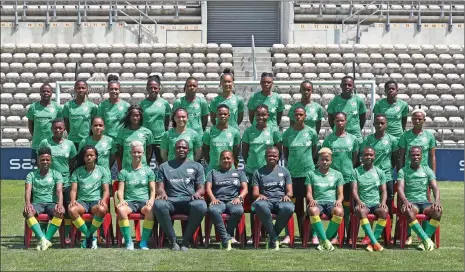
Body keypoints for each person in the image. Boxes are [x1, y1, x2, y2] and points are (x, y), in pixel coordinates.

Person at [154, 139, 207, 252]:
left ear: (189, 150)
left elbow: (201, 188)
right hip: (171, 200)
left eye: (184, 148)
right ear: (174, 149)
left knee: (201, 205)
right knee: (159, 204)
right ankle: (173, 241)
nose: (181, 149)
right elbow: (159, 186)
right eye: (178, 147)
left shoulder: (197, 166)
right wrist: (162, 193)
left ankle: (185, 241)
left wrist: (198, 193)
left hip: (189, 200)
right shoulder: (164, 166)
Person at [241, 104, 282, 243]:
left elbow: (279, 151)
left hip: (270, 173)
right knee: (255, 206)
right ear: (254, 116)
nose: (261, 117)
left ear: (268, 116)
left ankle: (270, 233)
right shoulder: (248, 132)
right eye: (258, 115)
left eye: (263, 114)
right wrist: (253, 166)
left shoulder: (274, 131)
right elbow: (245, 152)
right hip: (253, 172)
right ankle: (255, 235)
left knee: (269, 203)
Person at [281, 106, 318, 244]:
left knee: (311, 205)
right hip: (292, 175)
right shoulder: (287, 134)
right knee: (292, 207)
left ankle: (312, 234)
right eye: (296, 115)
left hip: (308, 174)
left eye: (301, 114)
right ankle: (289, 235)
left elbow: (314, 151)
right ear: (293, 116)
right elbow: (285, 153)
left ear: (305, 116)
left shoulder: (311, 132)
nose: (298, 117)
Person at [38, 118, 77, 243]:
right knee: (44, 207)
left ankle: (67, 235)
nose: (58, 130)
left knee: (66, 210)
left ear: (64, 129)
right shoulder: (45, 142)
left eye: (60, 128)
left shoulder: (69, 144)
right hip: (48, 182)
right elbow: (41, 161)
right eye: (55, 128)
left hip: (65, 182)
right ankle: (43, 234)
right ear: (51, 129)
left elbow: (72, 162)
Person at [322, 112, 359, 243]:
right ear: (334, 122)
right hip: (332, 180)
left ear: (346, 121)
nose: (340, 123)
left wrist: (349, 170)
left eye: (342, 120)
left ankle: (348, 236)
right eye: (337, 120)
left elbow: (354, 158)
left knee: (348, 209)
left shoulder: (353, 139)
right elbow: (325, 158)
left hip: (348, 179)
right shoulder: (329, 139)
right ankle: (335, 236)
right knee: (335, 207)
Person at [397, 147, 442, 251]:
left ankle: (423, 241)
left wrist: (437, 201)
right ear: (409, 157)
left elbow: (435, 188)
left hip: (425, 203)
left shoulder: (427, 170)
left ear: (422, 156)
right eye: (413, 155)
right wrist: (405, 201)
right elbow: (400, 188)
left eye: (418, 155)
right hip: (411, 203)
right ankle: (426, 240)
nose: (415, 157)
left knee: (438, 211)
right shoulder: (403, 171)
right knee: (408, 211)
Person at [251, 146, 294, 250]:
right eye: (270, 155)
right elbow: (255, 193)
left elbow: (290, 192)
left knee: (289, 207)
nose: (272, 158)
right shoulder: (258, 172)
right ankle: (274, 237)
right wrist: (259, 195)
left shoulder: (285, 172)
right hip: (266, 200)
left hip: (281, 200)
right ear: (265, 157)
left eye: (275, 156)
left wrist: (286, 196)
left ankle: (272, 237)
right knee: (260, 205)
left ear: (278, 157)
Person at [116, 140, 156, 250]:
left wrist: (152, 200)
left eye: (139, 152)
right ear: (130, 153)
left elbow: (153, 190)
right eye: (134, 152)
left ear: (143, 154)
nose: (137, 154)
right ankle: (129, 242)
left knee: (150, 209)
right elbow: (120, 190)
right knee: (121, 210)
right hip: (130, 202)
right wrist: (121, 199)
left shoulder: (149, 171)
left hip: (144, 201)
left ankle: (143, 242)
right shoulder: (124, 172)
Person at [68, 146, 111, 249]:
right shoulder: (77, 172)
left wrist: (104, 200)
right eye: (87, 155)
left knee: (102, 209)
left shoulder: (102, 171)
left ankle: (88, 237)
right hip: (82, 202)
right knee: (72, 210)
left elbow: (106, 190)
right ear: (83, 157)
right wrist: (73, 200)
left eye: (91, 155)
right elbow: (73, 190)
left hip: (96, 201)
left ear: (95, 157)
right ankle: (90, 236)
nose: (89, 157)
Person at [23, 147, 65, 251]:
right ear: (38, 161)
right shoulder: (31, 175)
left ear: (51, 161)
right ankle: (44, 240)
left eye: (47, 160)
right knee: (27, 212)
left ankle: (44, 240)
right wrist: (28, 204)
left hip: (52, 203)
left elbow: (59, 191)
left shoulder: (57, 174)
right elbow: (28, 191)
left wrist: (60, 204)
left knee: (60, 212)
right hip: (37, 203)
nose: (45, 162)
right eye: (42, 160)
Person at [205, 150, 248, 250]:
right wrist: (213, 198)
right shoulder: (213, 172)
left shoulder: (239, 173)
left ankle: (226, 236)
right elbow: (208, 188)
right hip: (218, 201)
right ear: (220, 160)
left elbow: (245, 189)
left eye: (228, 158)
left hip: (233, 201)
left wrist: (239, 197)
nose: (226, 160)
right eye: (223, 158)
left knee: (239, 210)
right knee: (213, 210)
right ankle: (226, 238)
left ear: (233, 160)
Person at [305, 148, 344, 251]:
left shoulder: (338, 174)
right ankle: (326, 240)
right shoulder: (311, 174)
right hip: (317, 202)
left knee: (339, 211)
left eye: (327, 160)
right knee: (313, 210)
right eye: (322, 159)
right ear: (318, 160)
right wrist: (311, 200)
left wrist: (339, 201)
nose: (324, 162)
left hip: (331, 202)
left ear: (331, 161)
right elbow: (309, 193)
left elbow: (340, 195)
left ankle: (323, 239)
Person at [360, 114, 398, 221]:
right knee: (371, 203)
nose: (380, 125)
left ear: (386, 124)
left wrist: (389, 168)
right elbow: (364, 156)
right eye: (377, 123)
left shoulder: (393, 140)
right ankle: (370, 232)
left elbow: (395, 157)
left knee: (388, 204)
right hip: (371, 176)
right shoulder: (368, 139)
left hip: (387, 176)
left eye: (382, 123)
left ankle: (386, 232)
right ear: (373, 124)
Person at [352, 147, 389, 252]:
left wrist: (383, 202)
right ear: (362, 157)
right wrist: (359, 202)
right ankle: (375, 242)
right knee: (360, 211)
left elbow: (384, 190)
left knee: (384, 211)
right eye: (366, 155)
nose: (368, 157)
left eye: (371, 155)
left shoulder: (380, 172)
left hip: (376, 203)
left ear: (374, 157)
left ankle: (373, 242)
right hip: (363, 204)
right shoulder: (356, 172)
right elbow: (354, 190)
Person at [139, 75, 171, 166]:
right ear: (146, 88)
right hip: (146, 139)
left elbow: (167, 118)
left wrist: (163, 129)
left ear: (159, 89)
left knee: (163, 164)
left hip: (160, 140)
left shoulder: (164, 103)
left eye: (155, 88)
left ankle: (162, 180)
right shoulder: (142, 104)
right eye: (150, 87)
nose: (153, 90)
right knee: (144, 164)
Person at [27, 83, 63, 165]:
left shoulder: (57, 108)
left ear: (51, 93)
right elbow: (30, 125)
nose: (45, 93)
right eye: (43, 91)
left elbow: (61, 125)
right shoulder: (33, 107)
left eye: (48, 91)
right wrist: (36, 135)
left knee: (52, 167)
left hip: (52, 144)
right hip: (37, 143)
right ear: (40, 93)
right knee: (38, 167)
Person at [202, 104, 241, 172]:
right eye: (220, 114)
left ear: (229, 116)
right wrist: (212, 163)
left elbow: (236, 152)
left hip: (229, 169)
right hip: (213, 169)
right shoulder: (208, 132)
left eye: (225, 114)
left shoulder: (235, 132)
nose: (222, 116)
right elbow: (205, 150)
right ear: (216, 115)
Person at [327, 76, 366, 141]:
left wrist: (355, 128)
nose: (347, 87)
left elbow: (363, 119)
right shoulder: (334, 101)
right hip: (338, 133)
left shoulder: (359, 100)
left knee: (357, 150)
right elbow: (330, 118)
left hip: (354, 133)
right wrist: (337, 128)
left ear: (353, 86)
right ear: (341, 85)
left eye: (349, 85)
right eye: (345, 84)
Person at [116, 105, 154, 171]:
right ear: (129, 116)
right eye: (132, 115)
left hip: (142, 168)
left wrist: (144, 163)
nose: (135, 117)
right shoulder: (122, 132)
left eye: (137, 115)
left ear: (141, 116)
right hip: (126, 168)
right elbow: (120, 152)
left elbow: (149, 153)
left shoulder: (147, 133)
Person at [63, 80, 98, 150]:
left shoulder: (92, 106)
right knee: (73, 160)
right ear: (75, 89)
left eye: (83, 88)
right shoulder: (68, 105)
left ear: (87, 89)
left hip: (86, 140)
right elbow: (66, 123)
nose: (81, 90)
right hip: (72, 140)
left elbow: (93, 124)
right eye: (78, 88)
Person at [398, 109, 436, 173]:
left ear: (424, 120)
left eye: (419, 119)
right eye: (414, 119)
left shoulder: (430, 136)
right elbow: (401, 156)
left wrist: (433, 175)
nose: (417, 121)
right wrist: (400, 174)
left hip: (424, 172)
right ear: (412, 120)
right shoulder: (405, 135)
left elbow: (432, 156)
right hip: (408, 172)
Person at [97, 75, 131, 140]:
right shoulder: (102, 106)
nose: (114, 91)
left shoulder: (126, 106)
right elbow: (99, 124)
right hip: (107, 139)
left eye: (116, 89)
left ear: (119, 90)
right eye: (111, 89)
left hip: (121, 139)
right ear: (108, 90)